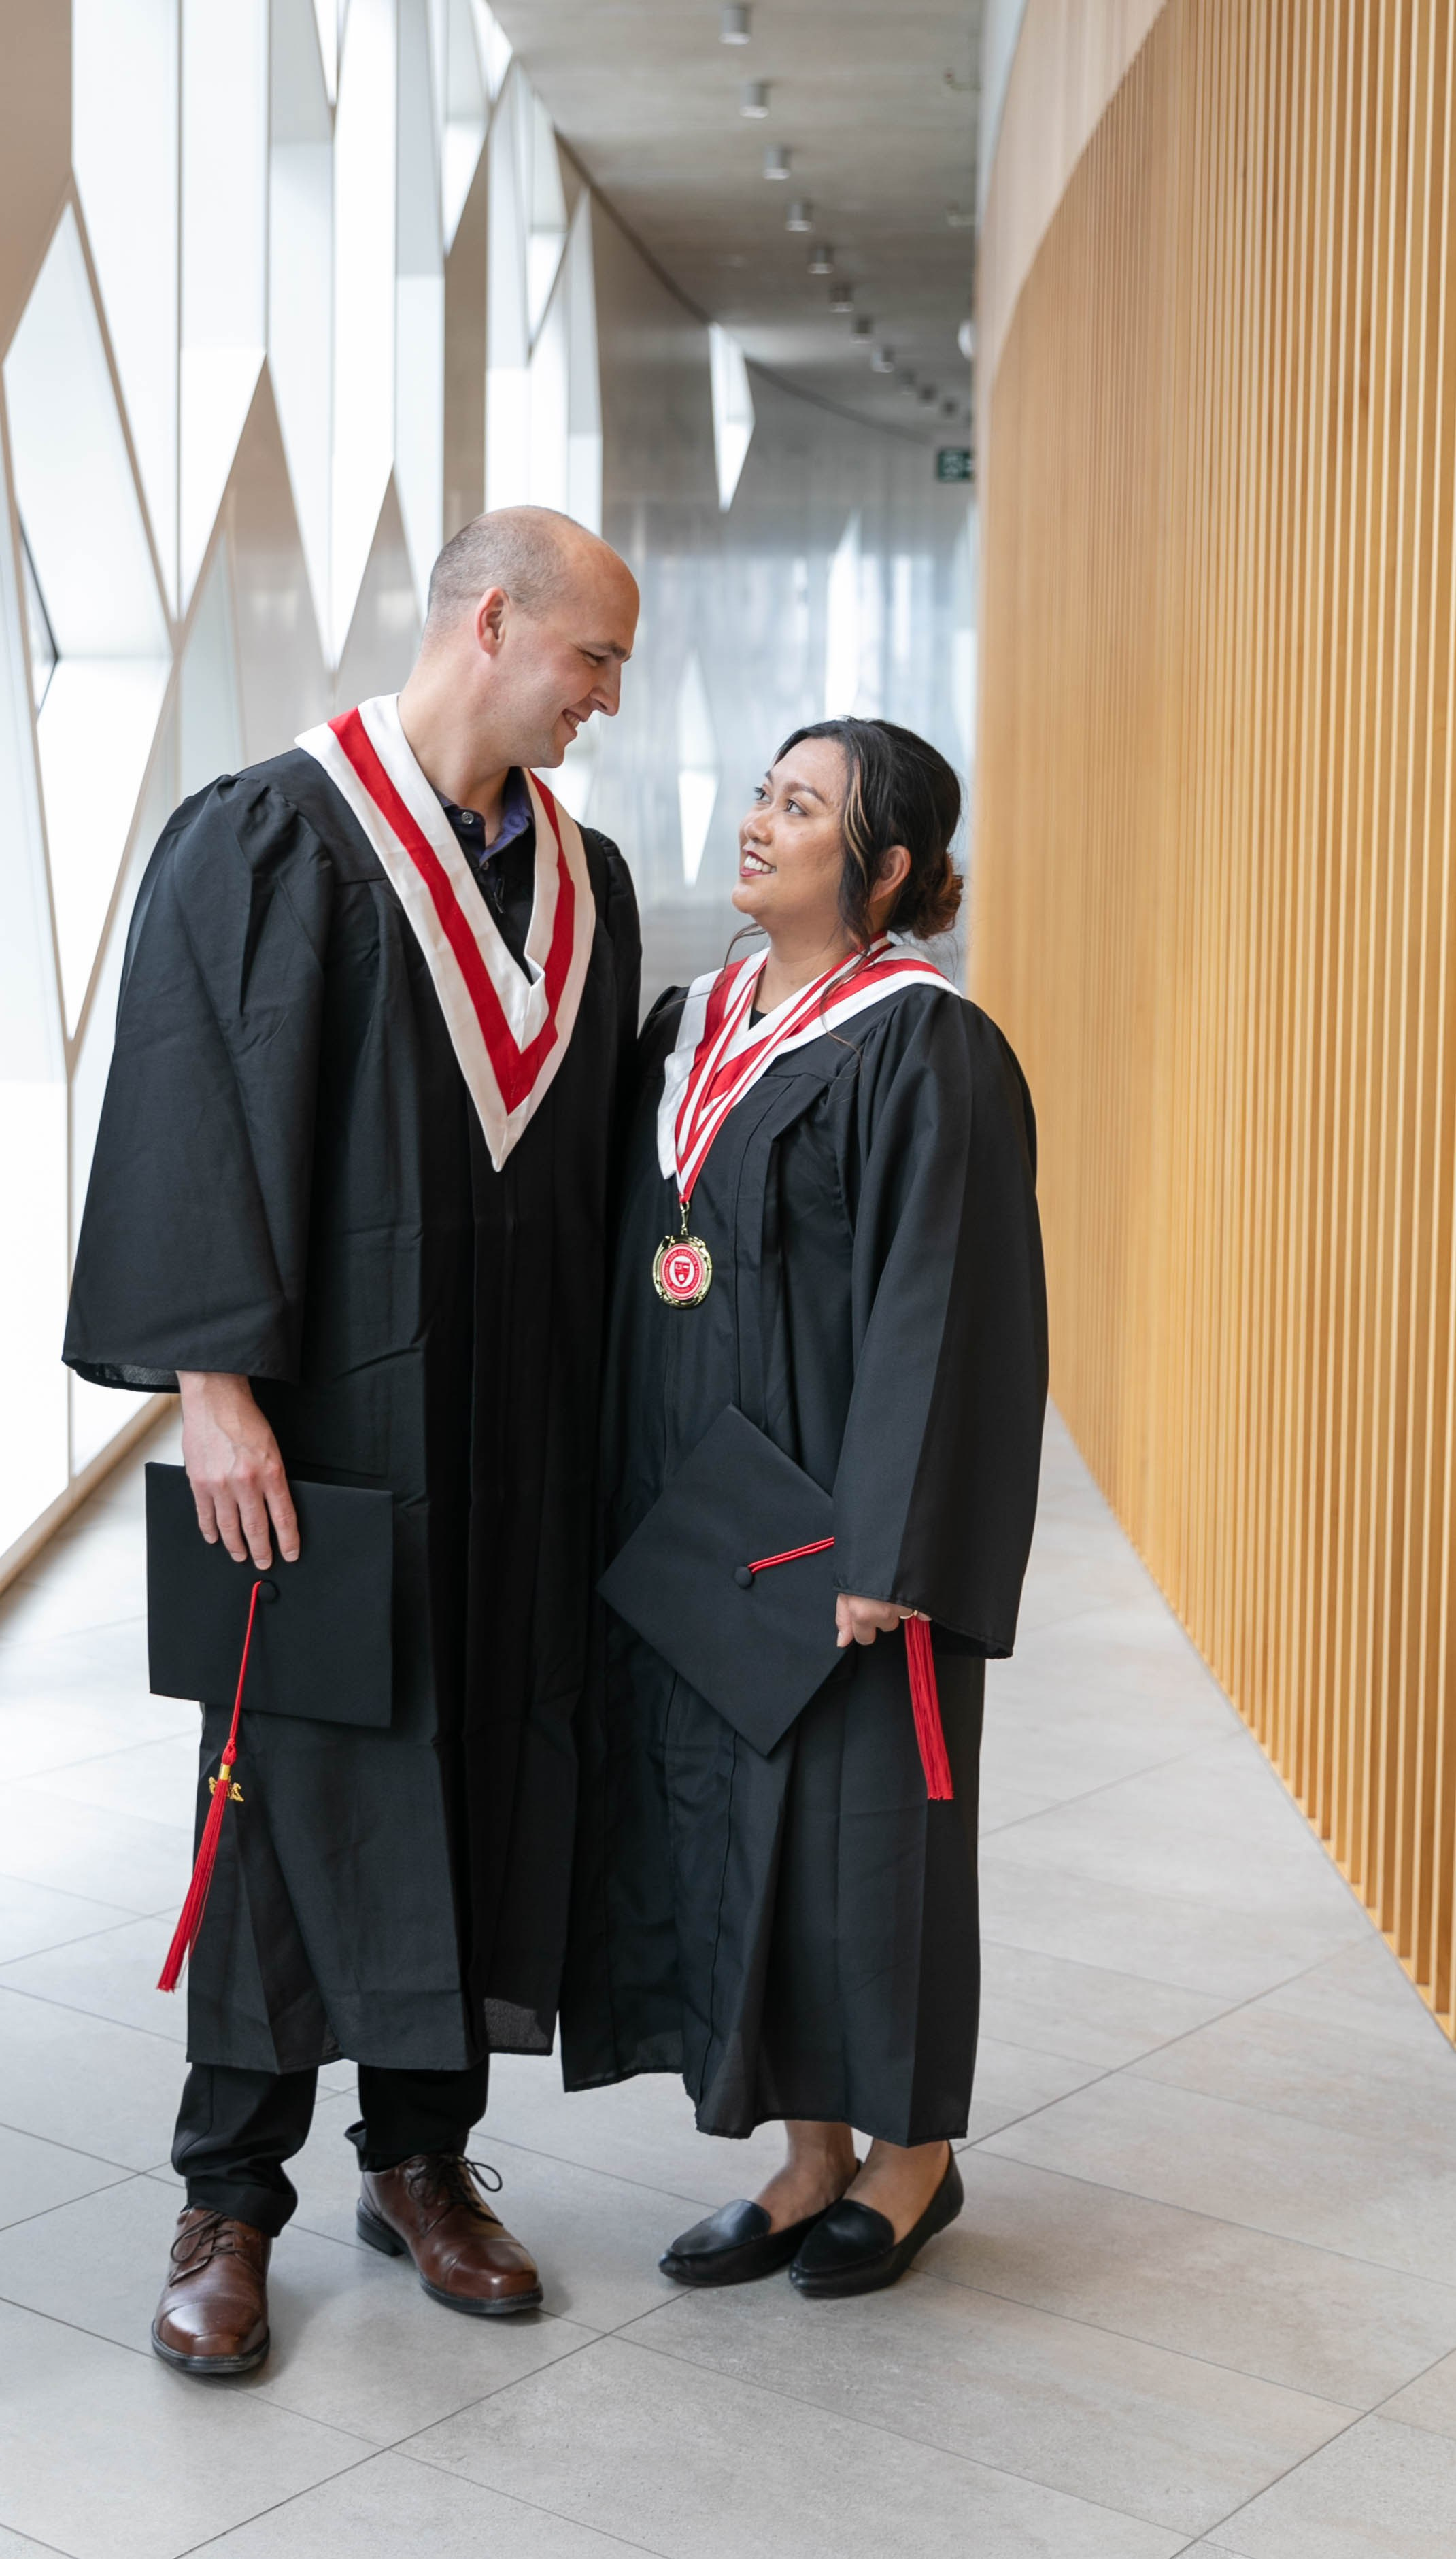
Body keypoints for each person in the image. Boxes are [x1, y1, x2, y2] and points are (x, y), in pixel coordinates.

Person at [65, 507, 641, 2373]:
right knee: (283, 1791)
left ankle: (422, 2155)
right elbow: (186, 1107)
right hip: (321, 1435)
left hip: (519, 1438)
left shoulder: (587, 879)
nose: (603, 703)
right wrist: (212, 1391)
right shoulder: (267, 836)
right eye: (590, 659)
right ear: (491, 623)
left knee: (475, 1762)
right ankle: (227, 2189)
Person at [561, 717, 1046, 2298]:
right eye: (764, 793)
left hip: (837, 1535)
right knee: (731, 1833)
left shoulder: (923, 1042)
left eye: (803, 806)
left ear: (885, 866)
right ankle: (808, 2151)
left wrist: (888, 1547)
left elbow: (944, 1307)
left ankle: (911, 2160)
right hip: (702, 1524)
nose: (759, 822)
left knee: (862, 1843)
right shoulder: (686, 1024)